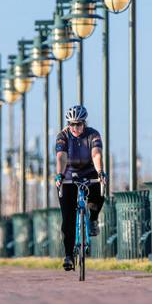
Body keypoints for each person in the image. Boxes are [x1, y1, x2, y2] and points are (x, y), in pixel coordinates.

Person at [55, 105, 106, 271]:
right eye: (71, 124)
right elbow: (61, 157)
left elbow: (96, 154)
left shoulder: (93, 134)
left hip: (89, 173)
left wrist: (100, 172)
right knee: (68, 219)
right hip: (68, 177)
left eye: (78, 124)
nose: (75, 128)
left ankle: (93, 219)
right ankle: (68, 256)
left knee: (99, 193)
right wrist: (59, 175)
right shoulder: (63, 136)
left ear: (84, 123)